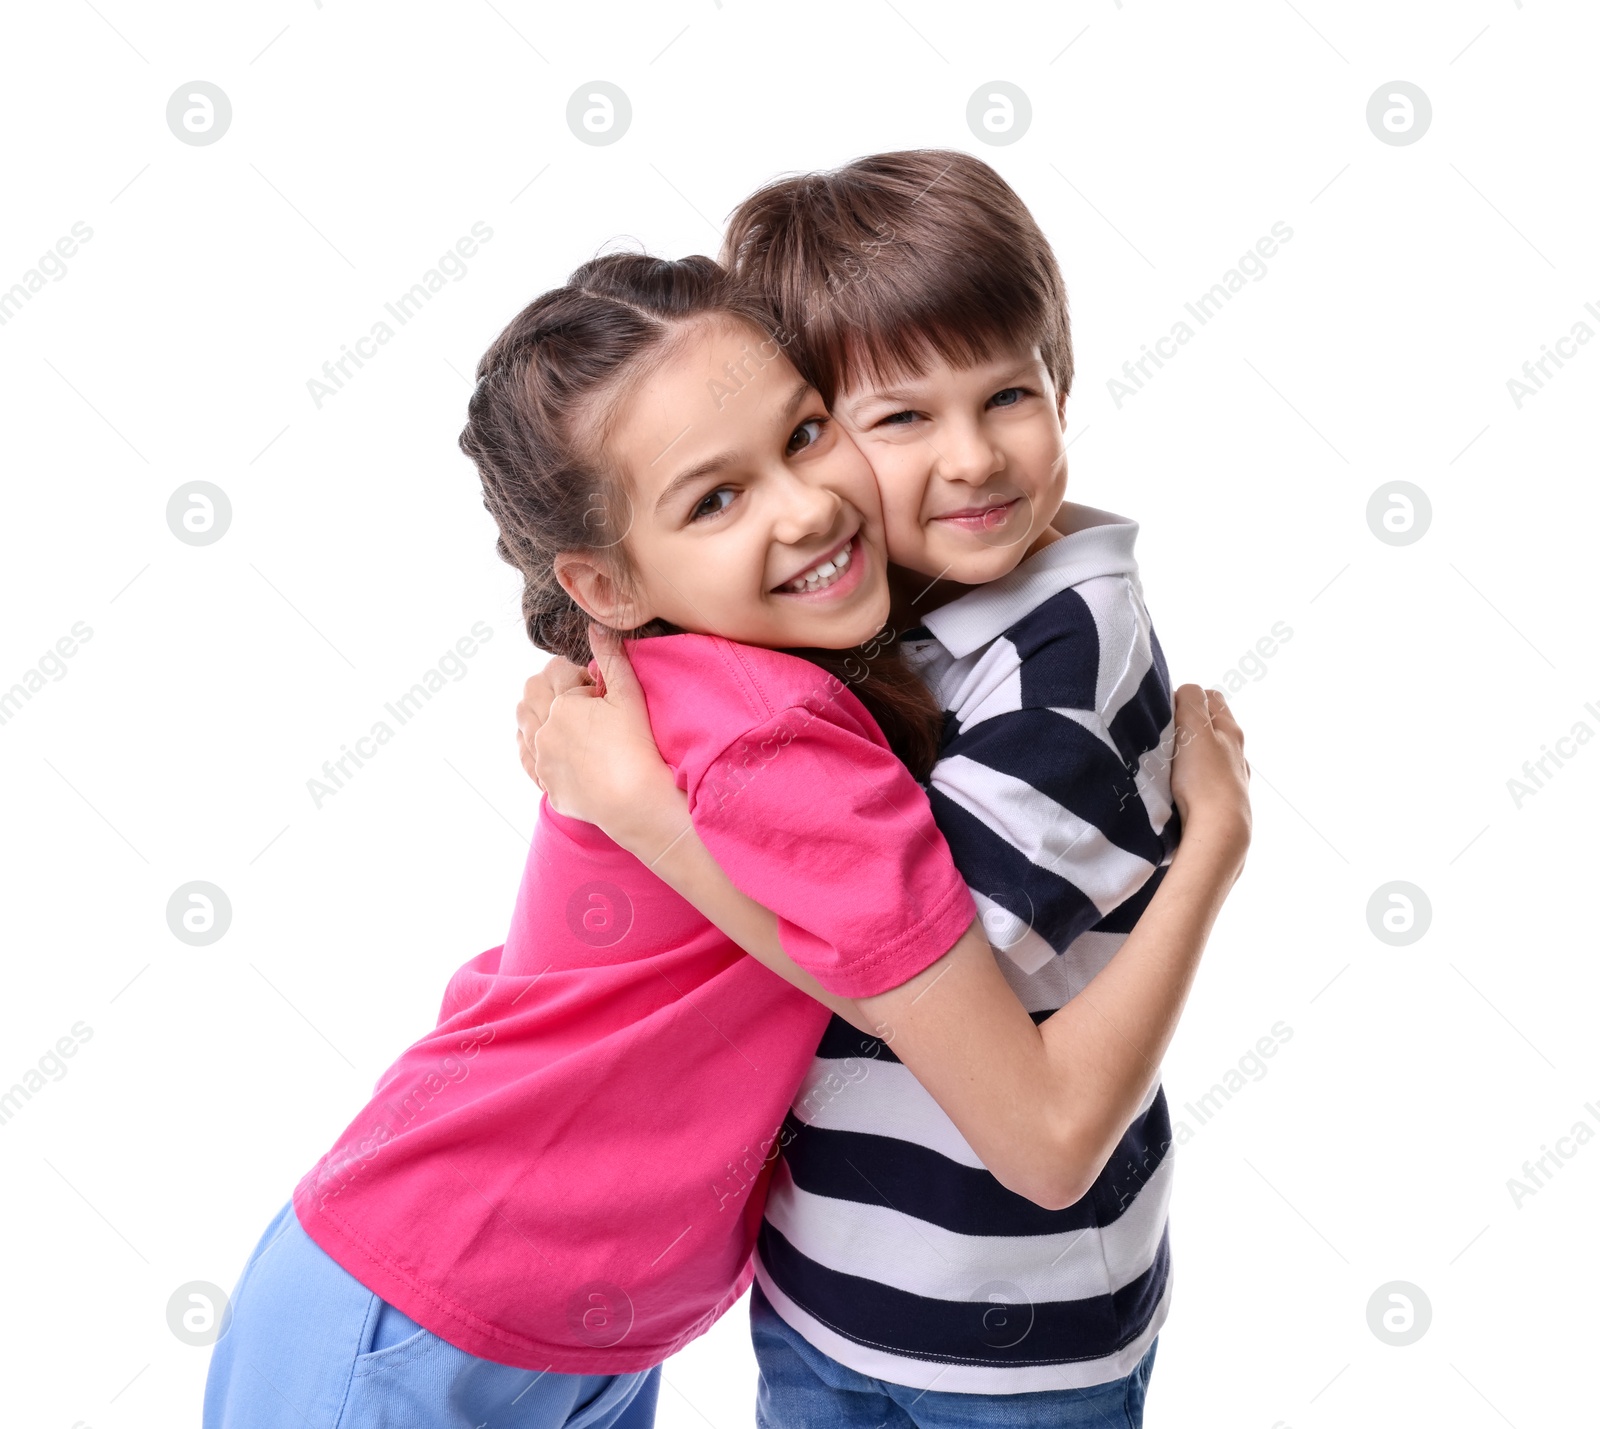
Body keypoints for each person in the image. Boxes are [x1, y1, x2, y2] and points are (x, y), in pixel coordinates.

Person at [206, 251, 1249, 1429]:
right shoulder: (776, 736)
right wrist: (1205, 849)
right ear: (603, 580)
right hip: (427, 1314)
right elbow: (1033, 1123)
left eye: (805, 433)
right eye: (714, 497)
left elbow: (863, 985)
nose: (805, 508)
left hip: (546, 1309)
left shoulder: (718, 683)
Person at [518, 151, 1220, 1427]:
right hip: (822, 1280)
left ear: (1062, 384)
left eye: (1009, 394)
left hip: (1010, 1325)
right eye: (898, 419)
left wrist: (652, 823)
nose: (971, 460)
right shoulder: (871, 613)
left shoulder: (1065, 653)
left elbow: (941, 979)